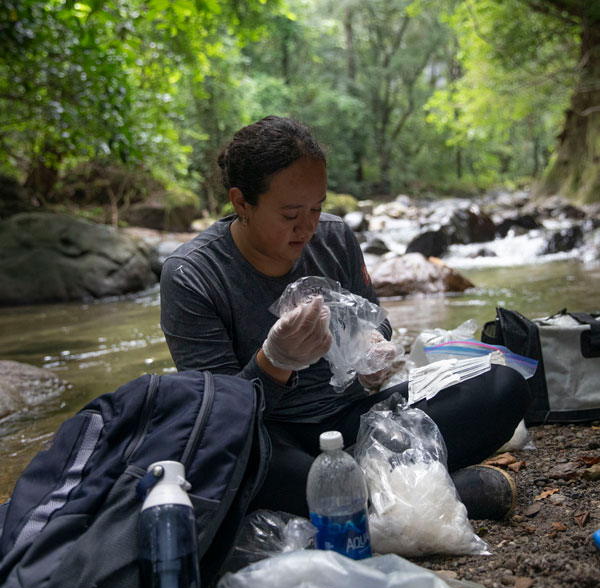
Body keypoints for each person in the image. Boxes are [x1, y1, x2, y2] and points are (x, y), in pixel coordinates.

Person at [160, 115, 532, 520]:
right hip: (271, 438)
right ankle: (425, 492)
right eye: (289, 215)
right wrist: (274, 362)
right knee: (232, 463)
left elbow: (374, 317)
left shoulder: (334, 237)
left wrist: (372, 345)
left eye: (317, 208)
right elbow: (218, 420)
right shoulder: (192, 275)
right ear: (241, 202)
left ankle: (363, 500)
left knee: (504, 387)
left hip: (354, 421)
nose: (307, 227)